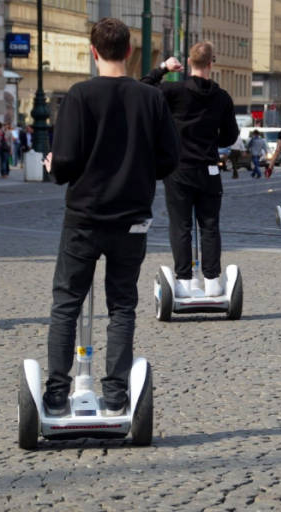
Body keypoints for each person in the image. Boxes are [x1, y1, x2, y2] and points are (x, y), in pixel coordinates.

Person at [41, 17, 178, 416]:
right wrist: (138, 169)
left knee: (66, 302)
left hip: (84, 216)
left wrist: (54, 165)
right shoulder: (152, 99)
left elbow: (64, 161)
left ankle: (55, 393)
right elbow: (169, 159)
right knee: (122, 305)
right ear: (131, 52)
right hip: (131, 219)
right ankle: (117, 395)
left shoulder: (79, 96)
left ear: (93, 51)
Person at [141, 41, 239, 298]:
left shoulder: (173, 91)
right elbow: (230, 137)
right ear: (211, 63)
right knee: (210, 225)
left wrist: (163, 68)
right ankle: (213, 281)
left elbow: (141, 89)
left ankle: (184, 281)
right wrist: (210, 140)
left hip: (179, 168)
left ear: (189, 62)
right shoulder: (222, 97)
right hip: (209, 168)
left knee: (180, 225)